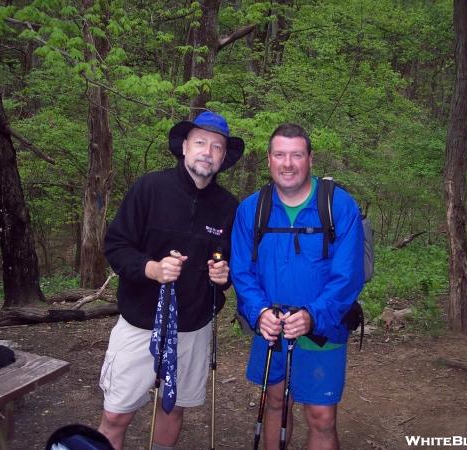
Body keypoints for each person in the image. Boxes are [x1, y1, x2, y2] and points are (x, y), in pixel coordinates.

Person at [98, 111, 244, 450]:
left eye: (217, 146)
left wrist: (225, 276)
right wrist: (151, 268)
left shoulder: (229, 207)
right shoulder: (150, 188)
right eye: (200, 143)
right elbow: (116, 245)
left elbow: (233, 264)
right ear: (184, 147)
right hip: (140, 322)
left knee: (172, 407)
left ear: (223, 157)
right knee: (116, 415)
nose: (208, 151)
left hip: (193, 327)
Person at [230, 123, 365, 450]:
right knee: (275, 403)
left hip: (324, 329)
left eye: (296, 155)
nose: (287, 163)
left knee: (321, 417)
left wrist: (313, 316)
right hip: (272, 329)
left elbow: (348, 276)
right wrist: (259, 311)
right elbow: (241, 271)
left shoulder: (338, 205)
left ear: (310, 159)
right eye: (280, 155)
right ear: (268, 160)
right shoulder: (252, 208)